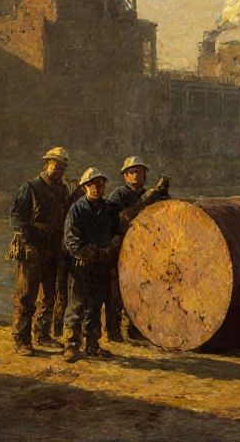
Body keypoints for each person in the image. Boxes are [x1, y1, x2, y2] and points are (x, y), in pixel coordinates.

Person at [7, 147, 72, 356]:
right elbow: (17, 216)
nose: (58, 169)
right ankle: (22, 339)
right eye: (55, 164)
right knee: (25, 296)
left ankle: (43, 335)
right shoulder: (31, 187)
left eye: (62, 166)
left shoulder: (63, 190)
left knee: (48, 295)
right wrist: (26, 241)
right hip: (32, 249)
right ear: (46, 164)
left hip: (53, 249)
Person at [103, 155, 170, 343]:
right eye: (131, 172)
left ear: (145, 175)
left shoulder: (150, 194)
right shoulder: (118, 196)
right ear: (125, 176)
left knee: (142, 290)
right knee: (117, 291)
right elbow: (122, 220)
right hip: (122, 247)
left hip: (143, 250)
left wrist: (163, 197)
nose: (135, 176)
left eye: (139, 172)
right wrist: (150, 197)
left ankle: (136, 329)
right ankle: (113, 331)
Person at [62, 168, 122, 362]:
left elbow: (117, 234)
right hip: (81, 265)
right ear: (85, 187)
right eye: (94, 185)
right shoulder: (77, 209)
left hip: (100, 266)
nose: (98, 188)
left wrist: (110, 249)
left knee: (95, 307)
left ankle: (92, 345)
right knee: (76, 306)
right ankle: (71, 345)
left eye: (101, 185)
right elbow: (71, 240)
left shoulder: (108, 209)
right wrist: (91, 252)